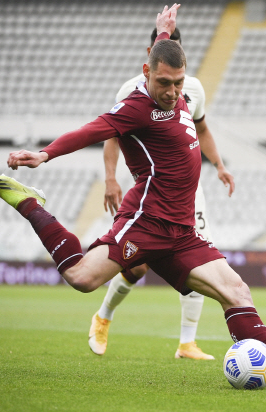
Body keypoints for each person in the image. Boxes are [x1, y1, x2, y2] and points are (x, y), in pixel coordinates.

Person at [0, 4, 266, 388]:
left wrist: (164, 31)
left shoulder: (177, 85)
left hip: (182, 231)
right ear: (146, 73)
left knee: (236, 290)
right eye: (164, 83)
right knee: (82, 278)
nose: (172, 92)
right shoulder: (135, 107)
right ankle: (28, 203)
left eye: (178, 83)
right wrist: (44, 154)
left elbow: (165, 53)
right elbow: (90, 131)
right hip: (146, 223)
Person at [88, 26, 235, 361]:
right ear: (152, 52)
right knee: (136, 268)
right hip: (152, 191)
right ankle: (104, 316)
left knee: (202, 258)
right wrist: (111, 178)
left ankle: (187, 343)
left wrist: (220, 165)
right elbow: (111, 134)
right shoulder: (131, 90)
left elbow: (202, 128)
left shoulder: (193, 87)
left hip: (189, 192)